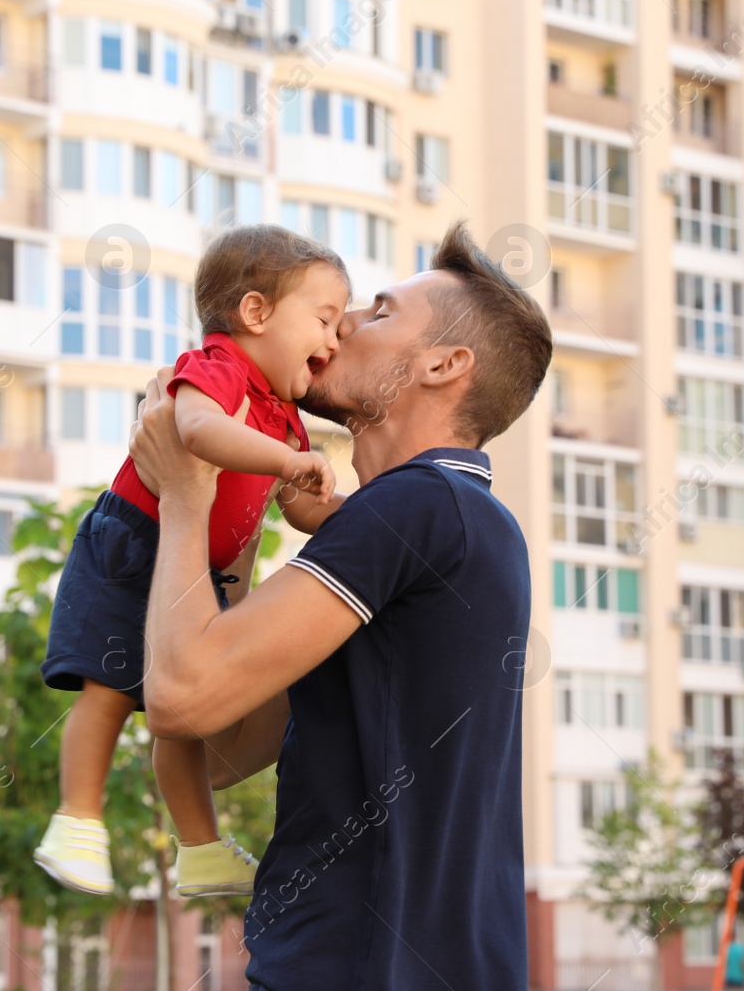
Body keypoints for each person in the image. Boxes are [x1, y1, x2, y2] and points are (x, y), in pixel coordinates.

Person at [128, 222, 554, 989]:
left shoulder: (417, 507)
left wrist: (186, 497)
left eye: (380, 312)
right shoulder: (447, 520)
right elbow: (226, 746)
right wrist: (230, 509)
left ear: (443, 365)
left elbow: (182, 697)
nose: (343, 320)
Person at [35, 225, 351, 898]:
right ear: (256, 312)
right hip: (136, 541)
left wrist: (339, 503)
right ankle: (77, 819)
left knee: (180, 712)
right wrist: (291, 459)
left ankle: (200, 848)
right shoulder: (219, 365)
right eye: (324, 321)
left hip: (190, 568)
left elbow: (296, 508)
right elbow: (197, 429)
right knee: (109, 689)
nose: (332, 342)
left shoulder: (283, 414)